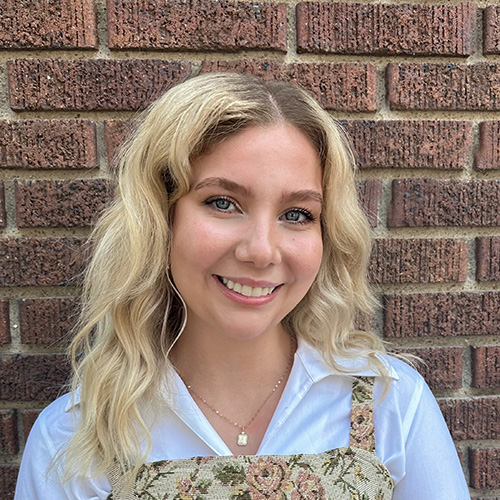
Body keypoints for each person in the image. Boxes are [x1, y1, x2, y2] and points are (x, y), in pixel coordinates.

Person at [15, 73, 470, 500]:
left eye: (297, 214)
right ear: (161, 220)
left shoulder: (390, 404)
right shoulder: (76, 438)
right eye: (223, 203)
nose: (262, 251)